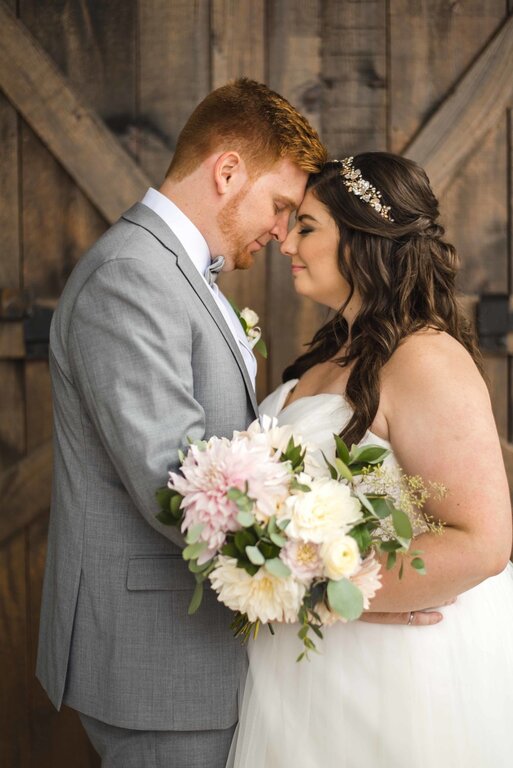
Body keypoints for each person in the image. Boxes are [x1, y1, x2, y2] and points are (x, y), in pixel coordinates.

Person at [36, 78, 327, 768]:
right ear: (227, 171)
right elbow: (173, 481)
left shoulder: (175, 273)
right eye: (280, 205)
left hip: (182, 648)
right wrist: (332, 573)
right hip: (157, 657)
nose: (281, 231)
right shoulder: (132, 276)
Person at [228, 153, 513, 768]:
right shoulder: (331, 352)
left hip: (386, 676)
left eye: (306, 227)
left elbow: (483, 542)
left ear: (361, 241)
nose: (286, 243)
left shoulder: (425, 359)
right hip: (299, 666)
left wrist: (328, 590)